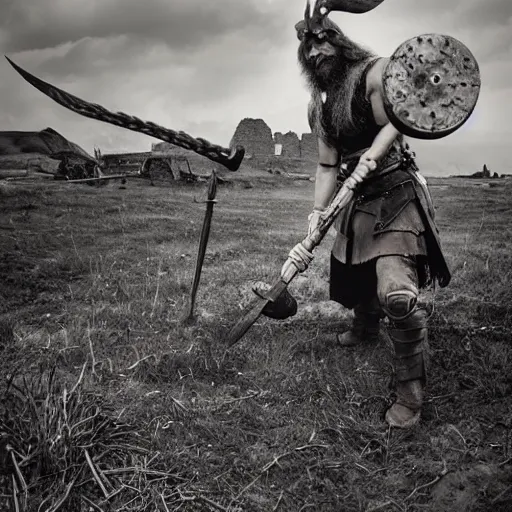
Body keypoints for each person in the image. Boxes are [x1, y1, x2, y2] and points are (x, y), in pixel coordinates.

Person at [295, 15, 451, 428]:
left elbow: (399, 120)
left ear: (341, 43)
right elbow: (327, 164)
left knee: (396, 294)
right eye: (307, 48)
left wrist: (369, 159)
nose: (315, 53)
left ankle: (410, 391)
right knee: (356, 268)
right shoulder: (320, 105)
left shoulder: (374, 76)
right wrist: (317, 214)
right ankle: (364, 326)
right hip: (355, 197)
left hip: (394, 190)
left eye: (323, 41)